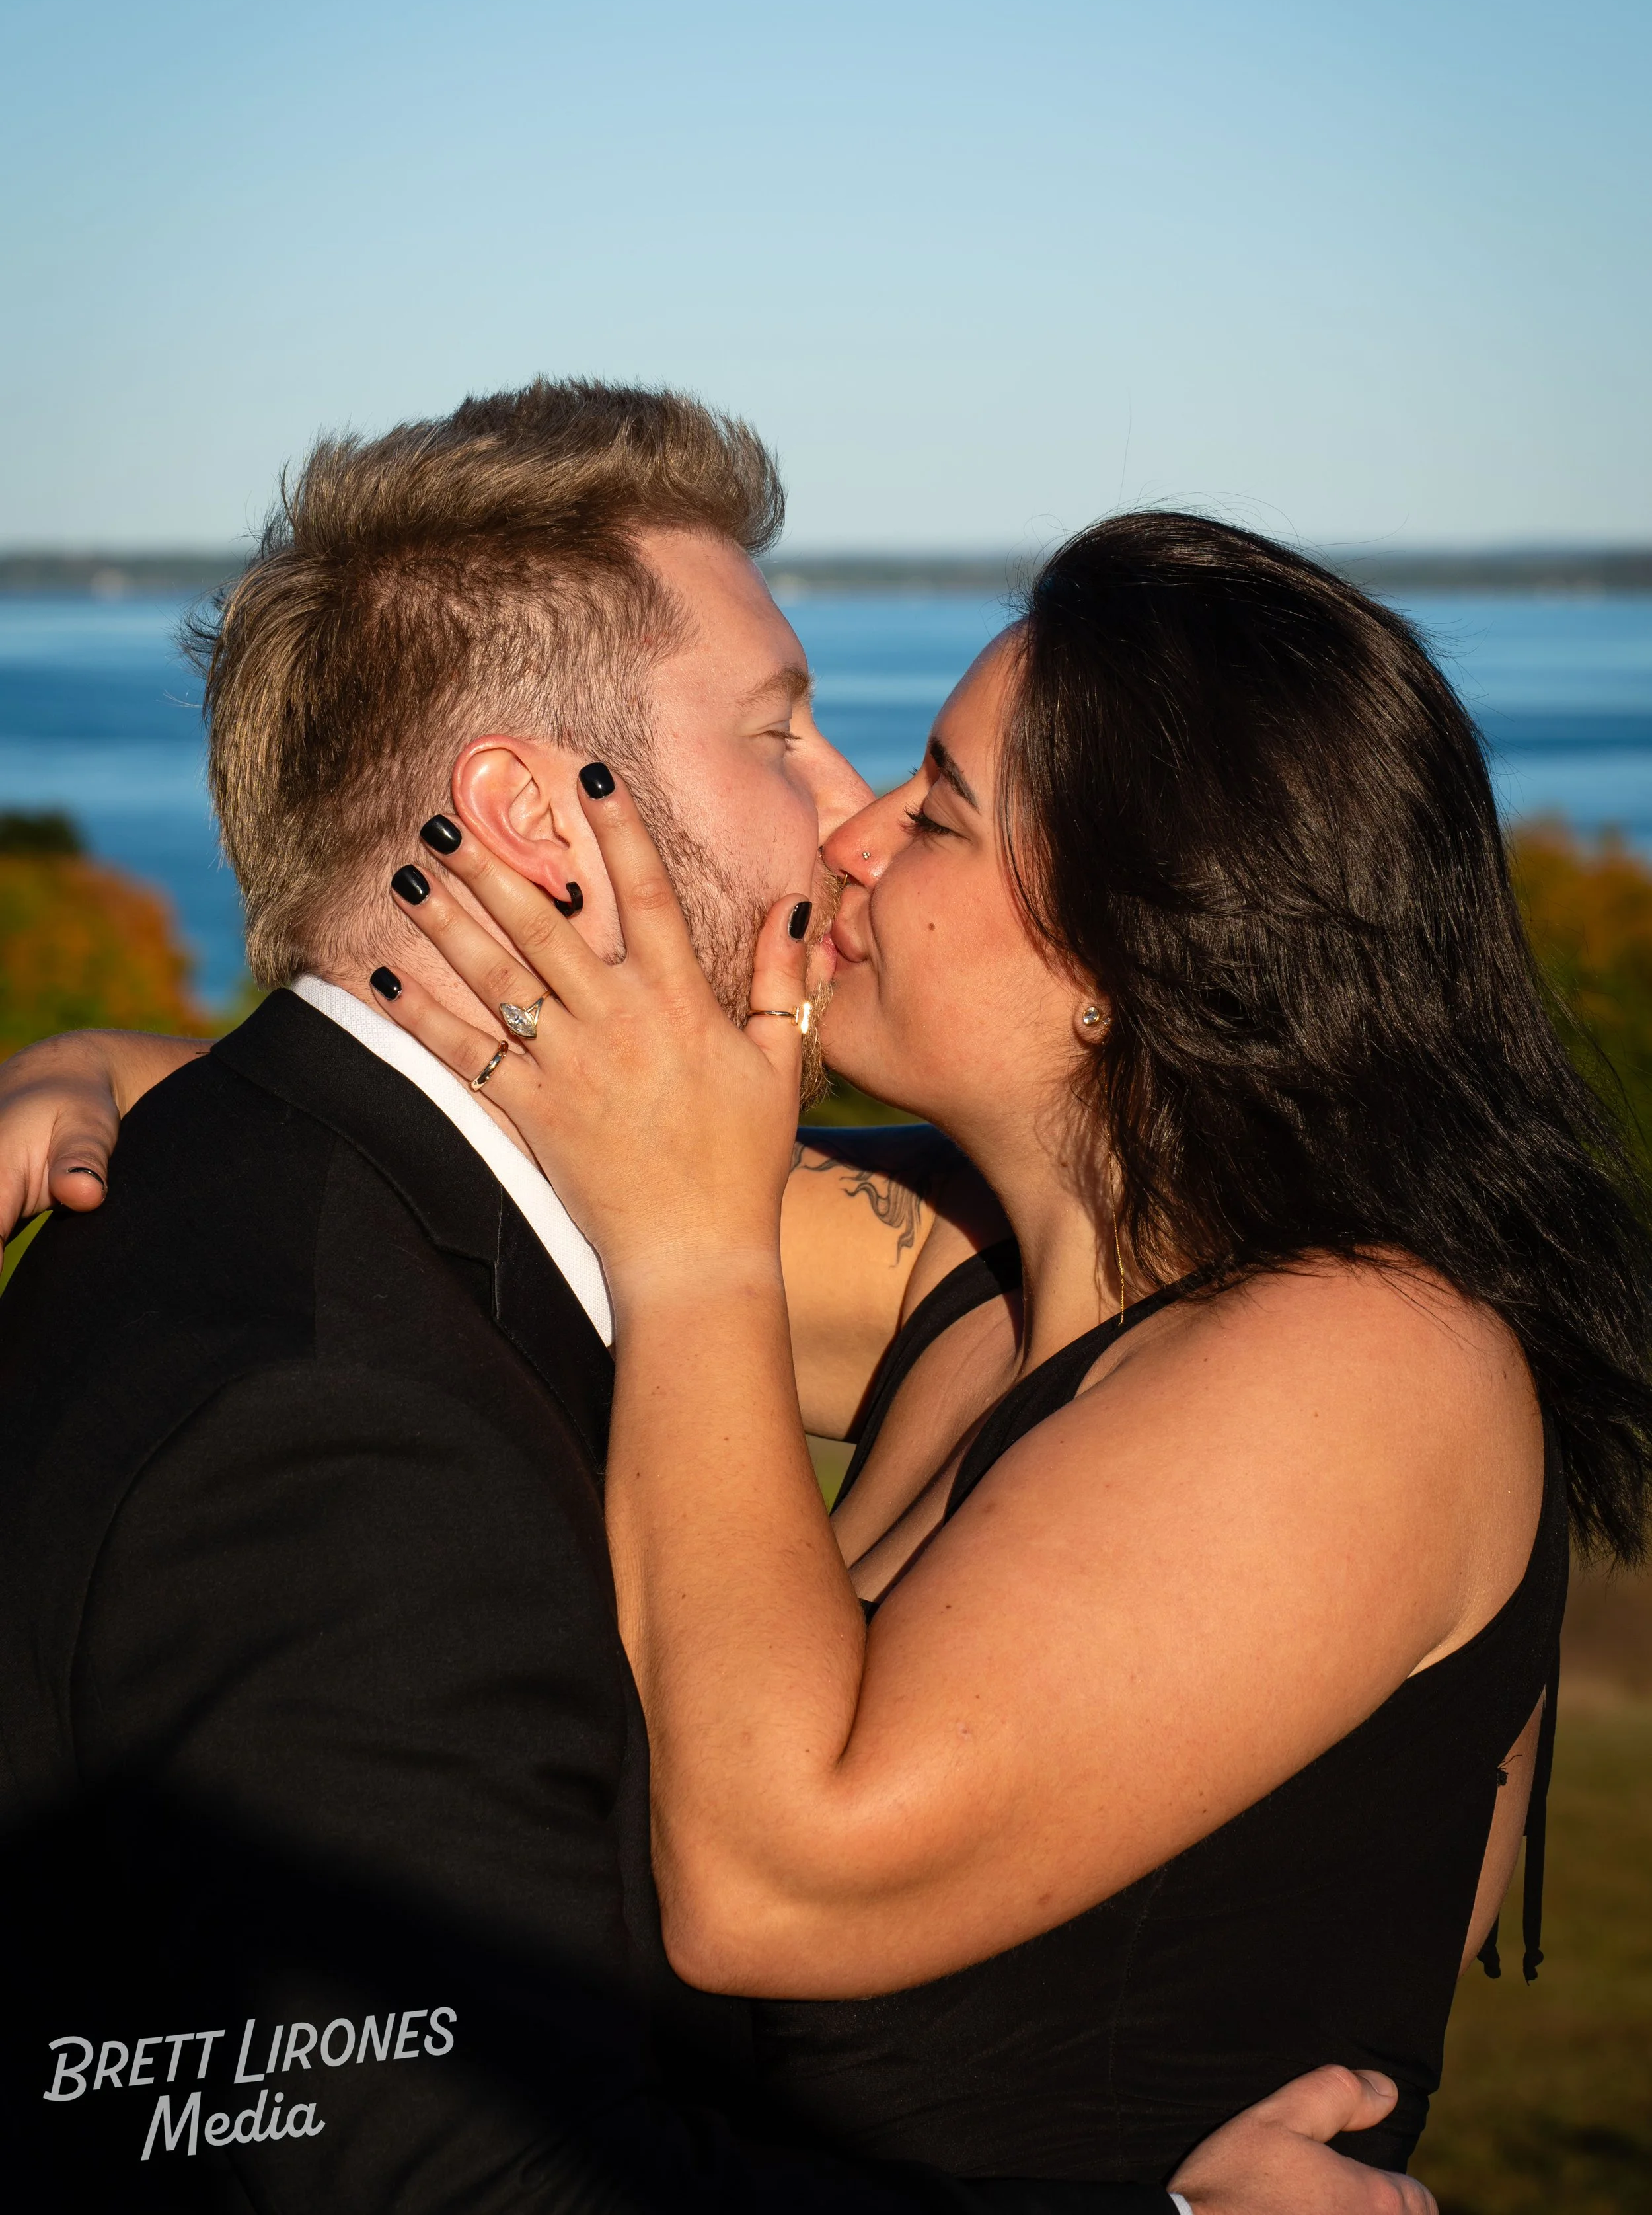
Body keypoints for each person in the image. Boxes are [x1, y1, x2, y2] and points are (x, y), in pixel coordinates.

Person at [0, 385, 1424, 2214]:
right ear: (535, 819)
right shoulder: (333, 1421)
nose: (844, 823)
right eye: (783, 732)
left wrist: (126, 1056)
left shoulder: (315, 1213)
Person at [337, 510, 1652, 2187]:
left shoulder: (1365, 1367)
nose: (852, 835)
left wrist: (691, 1259)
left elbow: (774, 1880)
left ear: (1136, 944)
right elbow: (476, 1163)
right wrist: (115, 1076)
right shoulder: (981, 1277)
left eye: (940, 812)